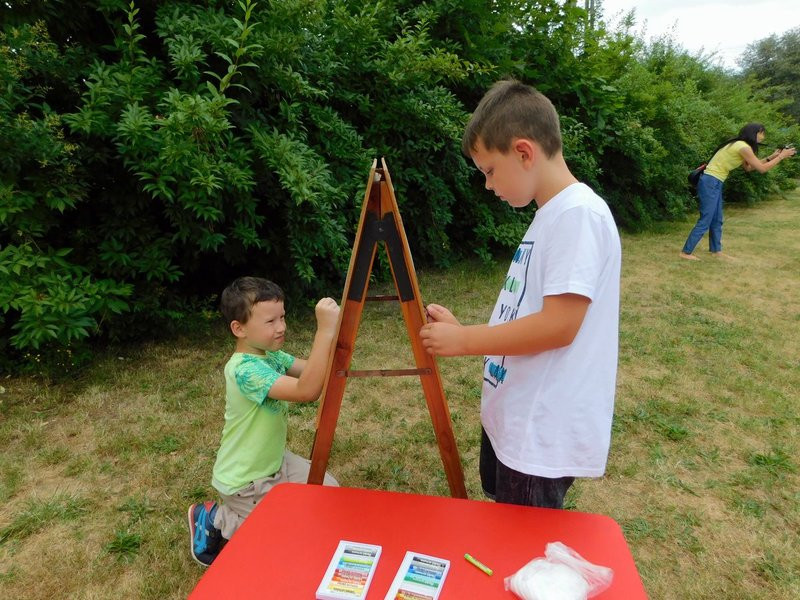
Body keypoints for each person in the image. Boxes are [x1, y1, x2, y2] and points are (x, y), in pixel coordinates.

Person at [419, 79, 621, 509]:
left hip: (539, 435)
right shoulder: (551, 214)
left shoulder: (577, 215)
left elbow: (560, 325)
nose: (489, 186)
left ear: (524, 152)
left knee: (522, 553)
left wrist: (466, 341)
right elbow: (529, 309)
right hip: (516, 420)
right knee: (504, 531)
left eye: (490, 171)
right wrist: (466, 331)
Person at [188, 276, 340, 566]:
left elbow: (314, 372)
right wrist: (324, 332)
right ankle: (212, 520)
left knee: (329, 497)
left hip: (273, 463)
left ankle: (235, 514)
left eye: (282, 317)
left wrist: (335, 336)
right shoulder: (245, 370)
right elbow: (306, 390)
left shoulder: (271, 355)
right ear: (239, 328)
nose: (281, 327)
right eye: (271, 321)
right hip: (244, 481)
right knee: (279, 542)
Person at [680, 123, 796, 260]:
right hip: (710, 181)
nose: (763, 137)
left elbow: (749, 168)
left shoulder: (739, 145)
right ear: (754, 133)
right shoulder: (743, 147)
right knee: (706, 219)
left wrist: (772, 156)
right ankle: (685, 253)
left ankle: (716, 251)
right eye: (762, 133)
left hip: (715, 181)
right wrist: (781, 157)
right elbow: (762, 169)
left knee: (717, 219)